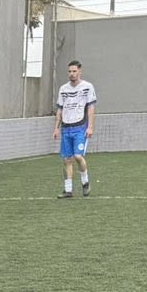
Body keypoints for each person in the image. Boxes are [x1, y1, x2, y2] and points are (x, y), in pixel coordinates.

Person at [54, 60, 97, 199]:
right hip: (66, 128)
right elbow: (60, 109)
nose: (71, 74)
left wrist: (90, 127)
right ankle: (68, 190)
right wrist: (56, 128)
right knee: (67, 159)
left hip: (80, 127)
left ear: (80, 72)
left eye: (74, 71)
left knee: (78, 156)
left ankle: (85, 182)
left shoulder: (87, 87)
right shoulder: (63, 89)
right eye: (69, 71)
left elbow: (91, 108)